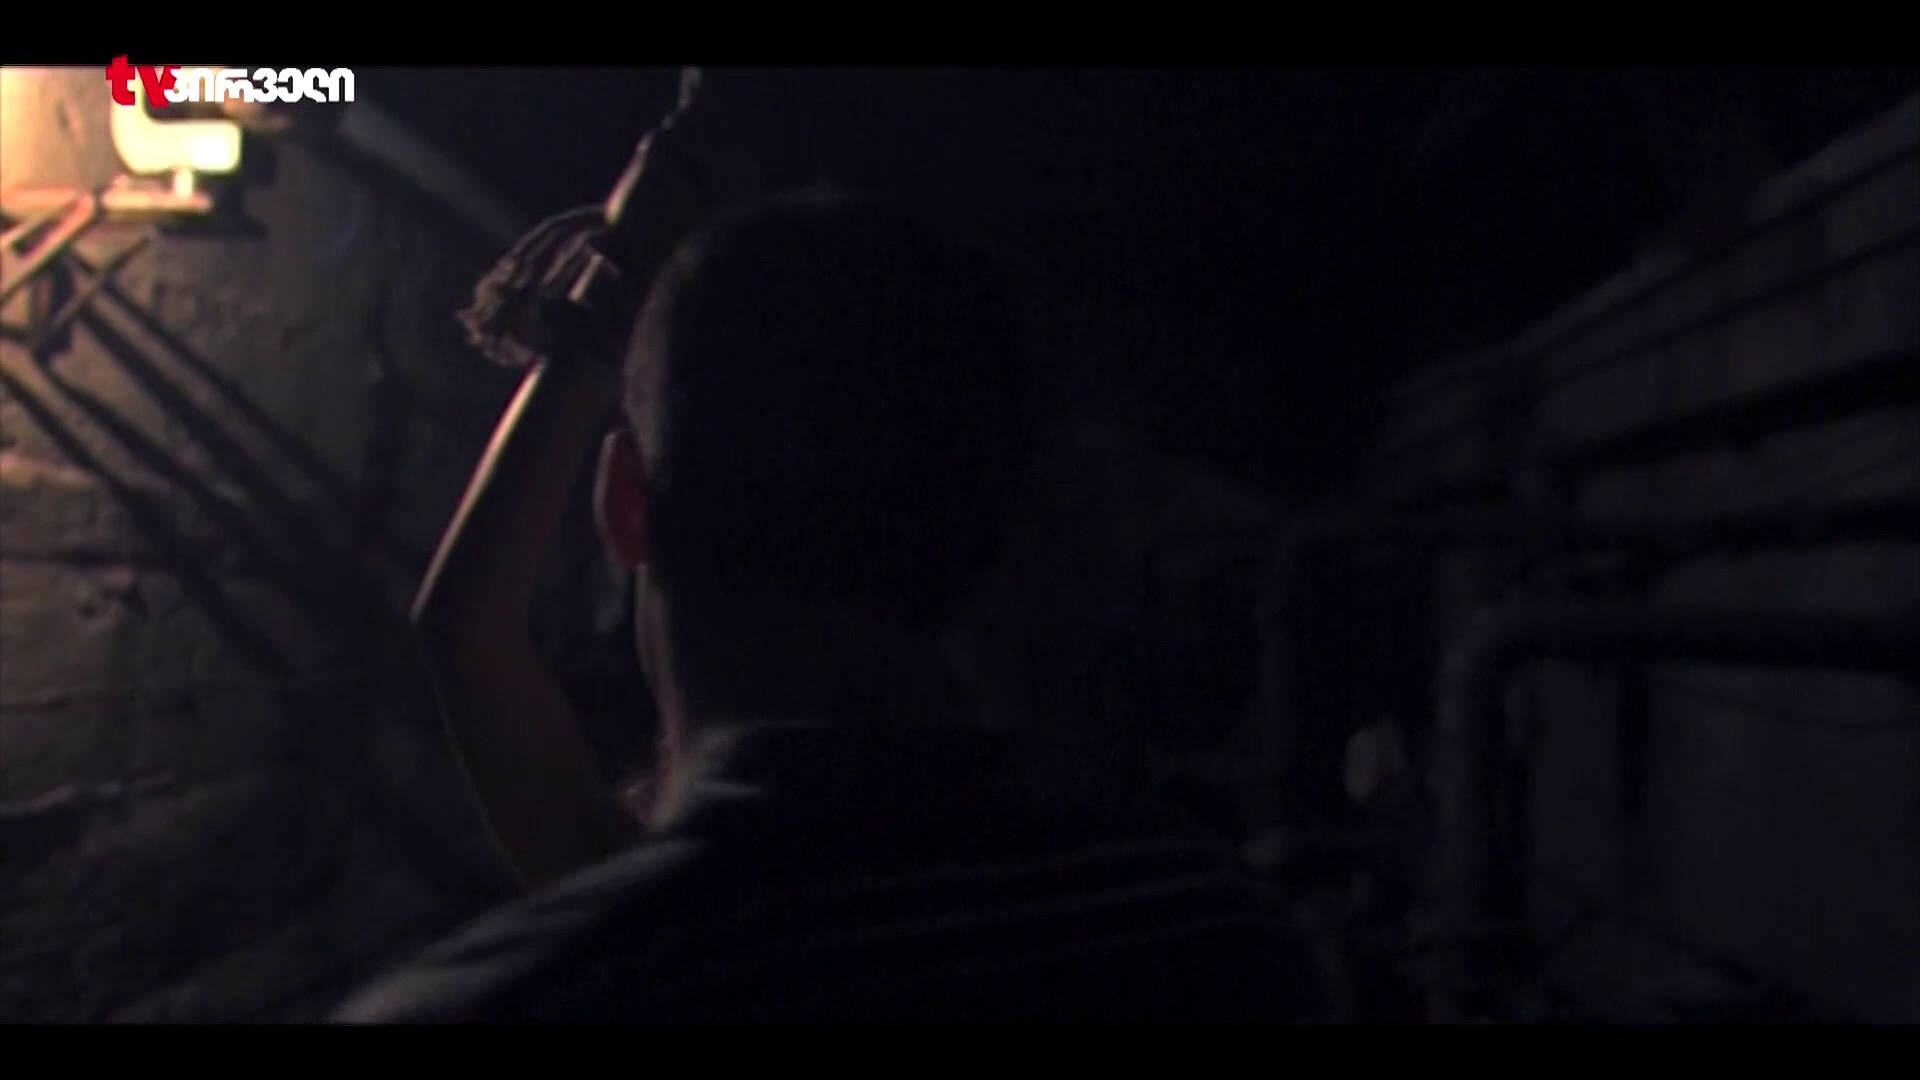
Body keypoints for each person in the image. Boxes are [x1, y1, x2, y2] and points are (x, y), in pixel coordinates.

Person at [333, 87, 1344, 1023]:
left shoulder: (555, 991)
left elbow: (465, 634)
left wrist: (618, 278)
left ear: (624, 505)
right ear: (991, 521)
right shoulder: (1224, 944)